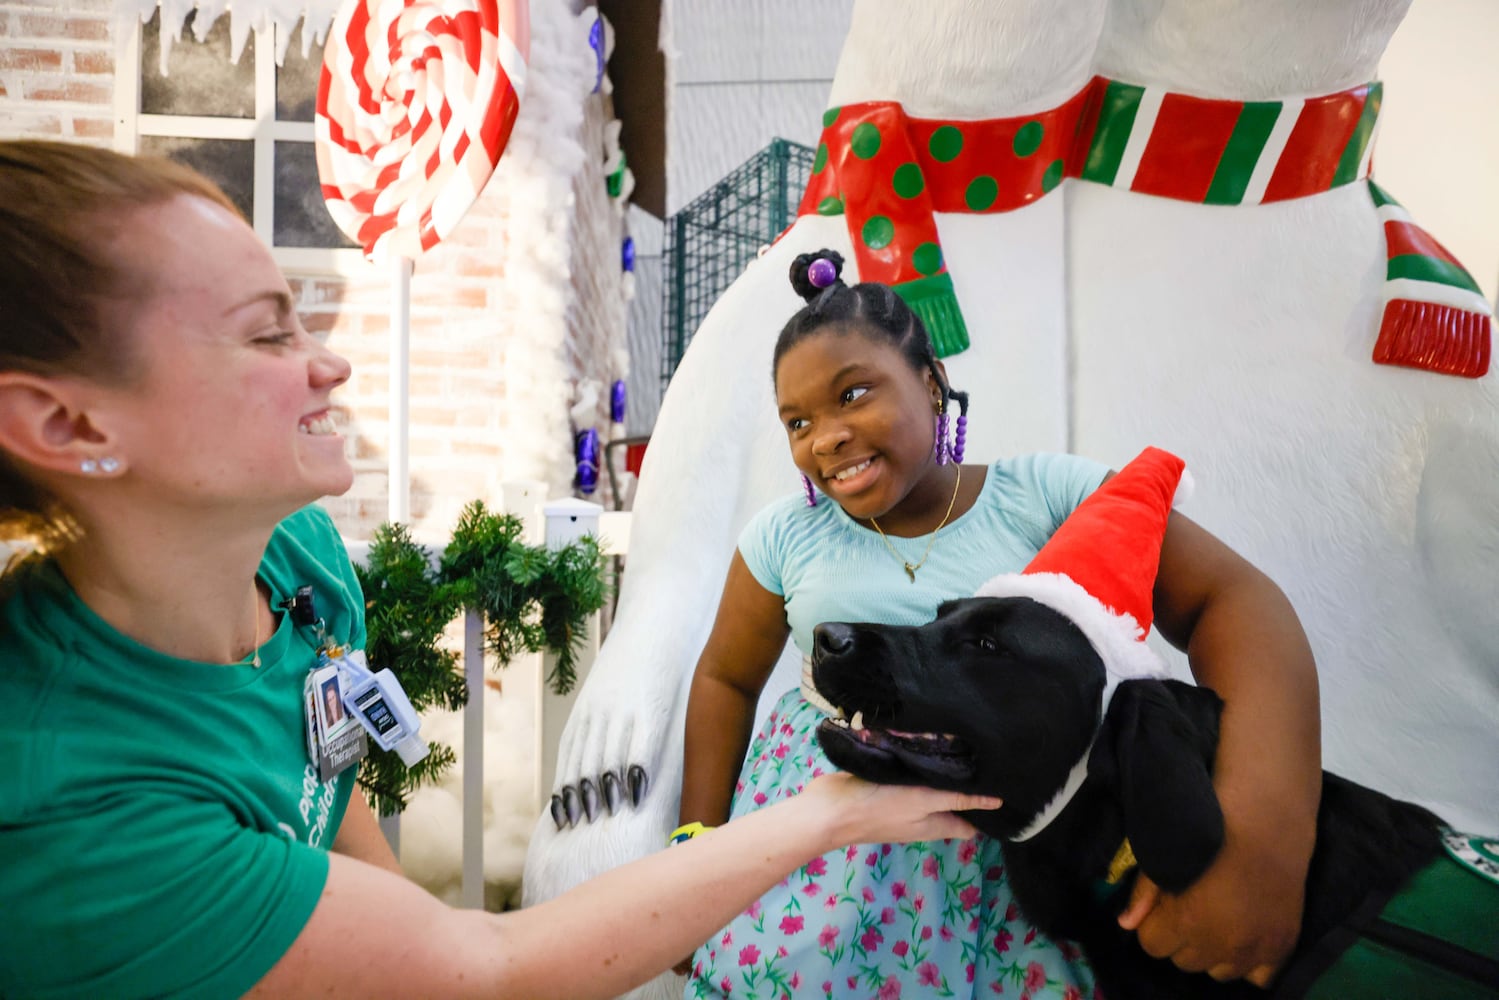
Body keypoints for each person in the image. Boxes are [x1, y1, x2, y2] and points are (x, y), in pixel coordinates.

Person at [0, 141, 1004, 1000]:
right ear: (69, 423)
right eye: (266, 333)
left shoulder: (292, 562)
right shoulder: (75, 808)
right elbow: (484, 970)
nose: (326, 362)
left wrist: (397, 937)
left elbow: (333, 791)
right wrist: (824, 813)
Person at [677, 250, 1323, 997]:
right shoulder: (781, 537)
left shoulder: (1043, 495)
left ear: (931, 381)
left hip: (1020, 873)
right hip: (823, 877)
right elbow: (725, 677)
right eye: (798, 421)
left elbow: (1234, 599)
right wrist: (696, 852)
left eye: (852, 394)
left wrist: (1262, 836)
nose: (823, 437)